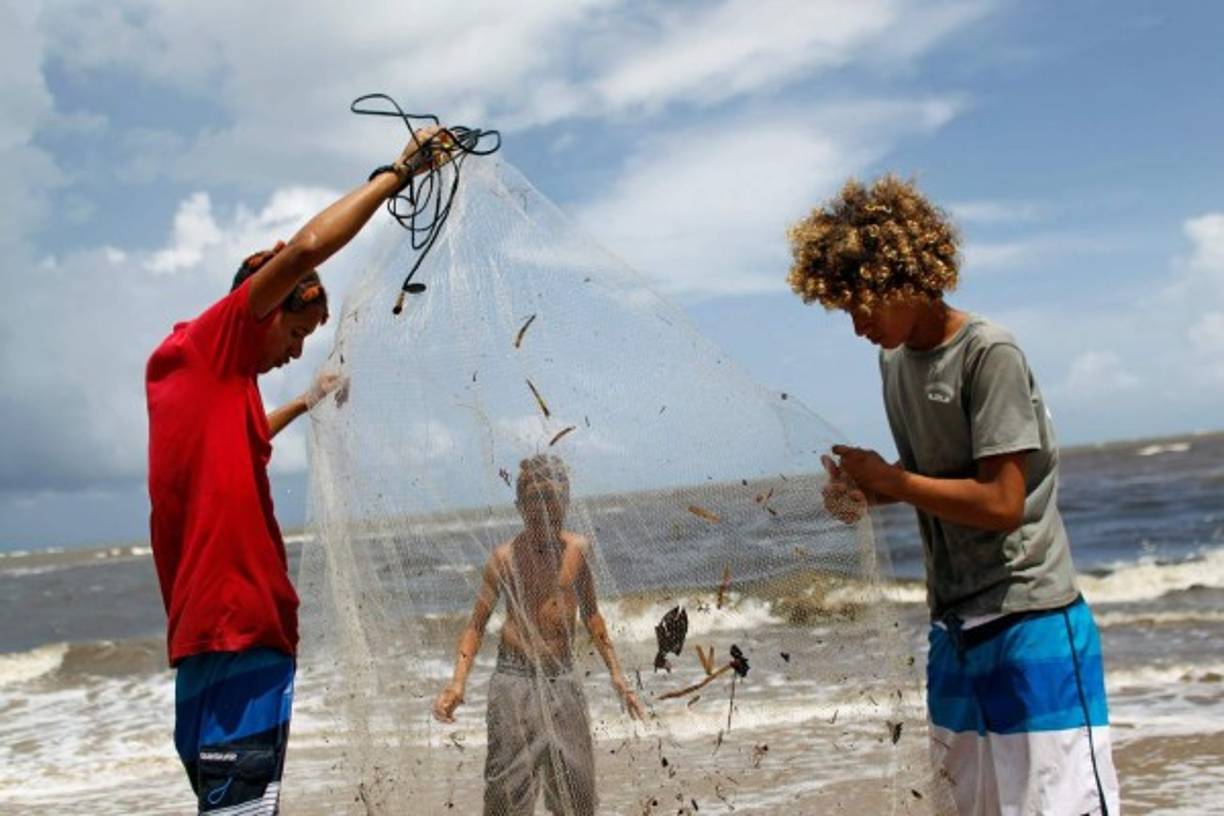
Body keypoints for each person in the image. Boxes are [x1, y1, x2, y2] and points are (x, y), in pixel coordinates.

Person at [788, 175, 1120, 815]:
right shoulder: (893, 363)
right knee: (968, 807)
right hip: (953, 625)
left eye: (862, 305)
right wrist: (870, 493)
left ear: (905, 278)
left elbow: (1002, 504)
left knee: (1056, 805)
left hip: (1030, 618)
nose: (857, 326)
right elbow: (932, 478)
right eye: (844, 310)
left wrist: (893, 481)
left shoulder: (988, 353)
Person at [146, 128, 451, 813]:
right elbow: (308, 248)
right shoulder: (216, 342)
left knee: (229, 807)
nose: (293, 352)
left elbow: (253, 438)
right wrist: (399, 174)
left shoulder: (196, 380)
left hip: (200, 643)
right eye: (295, 333)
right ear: (262, 307)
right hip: (241, 636)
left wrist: (305, 402)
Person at [433, 454, 646, 816]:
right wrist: (457, 683)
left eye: (551, 497)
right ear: (520, 506)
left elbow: (592, 616)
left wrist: (618, 677)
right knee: (506, 797)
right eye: (534, 498)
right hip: (514, 684)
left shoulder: (578, 550)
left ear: (565, 502)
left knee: (577, 795)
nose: (543, 508)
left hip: (563, 680)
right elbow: (475, 626)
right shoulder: (504, 558)